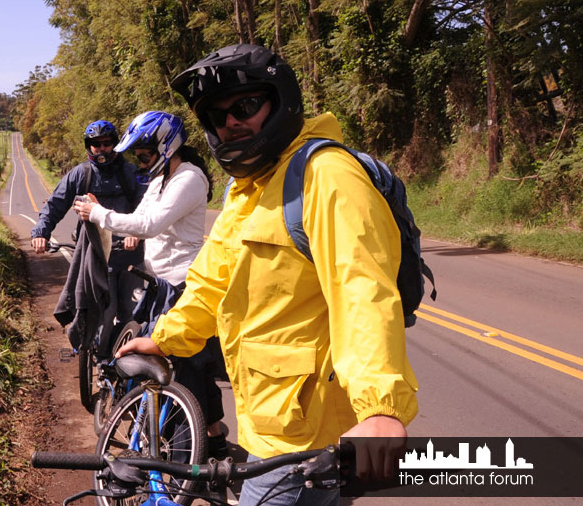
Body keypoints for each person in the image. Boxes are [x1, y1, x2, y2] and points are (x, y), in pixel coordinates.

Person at [116, 44, 418, 506]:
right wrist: (168, 337)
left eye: (246, 106)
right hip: (269, 422)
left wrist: (381, 408)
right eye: (217, 117)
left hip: (307, 441)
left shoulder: (326, 177)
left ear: (281, 102)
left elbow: (363, 293)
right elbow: (213, 280)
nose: (231, 123)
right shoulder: (250, 186)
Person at [73, 111, 229, 460]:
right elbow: (139, 220)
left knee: (178, 372)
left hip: (183, 286)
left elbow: (152, 223)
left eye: (144, 154)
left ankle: (183, 461)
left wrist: (99, 215)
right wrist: (112, 220)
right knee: (195, 366)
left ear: (165, 146)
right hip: (160, 285)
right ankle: (214, 439)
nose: (140, 162)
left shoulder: (189, 178)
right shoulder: (161, 179)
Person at [30, 120, 145, 257]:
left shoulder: (131, 173)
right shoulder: (80, 174)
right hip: (90, 253)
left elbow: (146, 208)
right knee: (77, 278)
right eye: (96, 144)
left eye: (107, 143)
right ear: (89, 146)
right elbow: (55, 205)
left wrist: (135, 234)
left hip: (127, 253)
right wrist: (40, 234)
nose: (102, 148)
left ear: (115, 144)